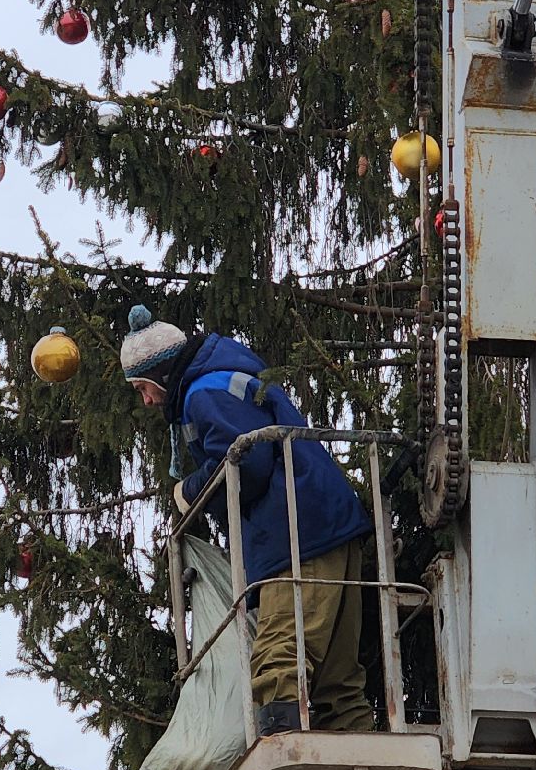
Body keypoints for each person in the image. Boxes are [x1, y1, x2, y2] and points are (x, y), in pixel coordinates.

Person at [121, 305, 374, 735]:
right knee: (337, 680)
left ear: (162, 374)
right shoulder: (229, 375)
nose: (147, 400)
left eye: (144, 388)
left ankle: (283, 757)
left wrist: (189, 492)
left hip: (295, 536)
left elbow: (245, 461)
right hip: (328, 524)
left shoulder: (203, 392)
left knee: (279, 653)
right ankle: (359, 757)